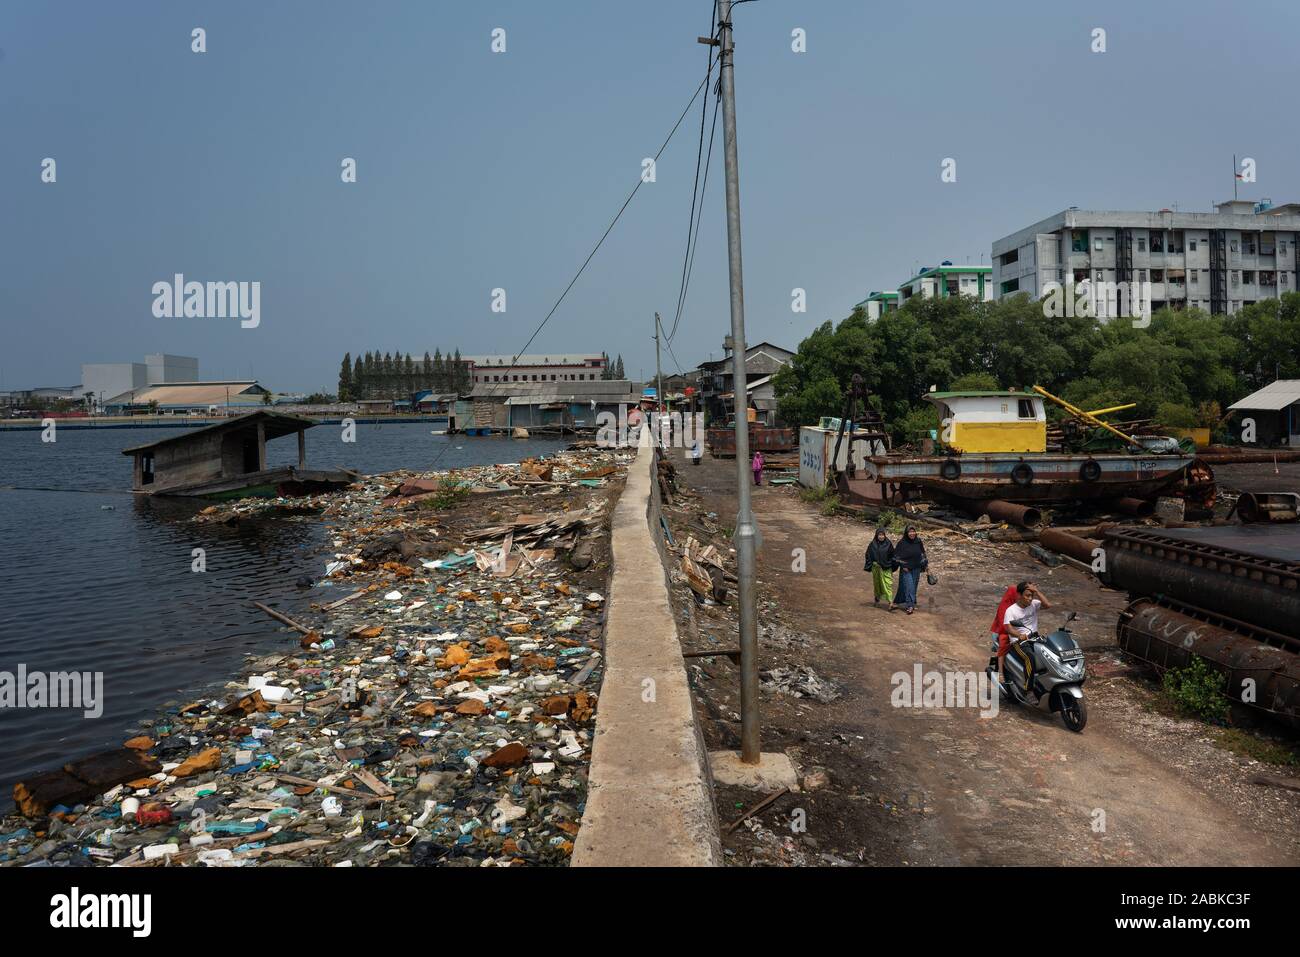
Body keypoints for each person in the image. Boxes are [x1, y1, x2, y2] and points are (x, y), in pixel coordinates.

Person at [1003, 581, 1052, 690]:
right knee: (1030, 657)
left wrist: (1037, 591)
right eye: (1027, 595)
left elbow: (1048, 605)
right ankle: (1028, 689)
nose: (1030, 598)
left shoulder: (1034, 604)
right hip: (1019, 642)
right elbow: (1008, 628)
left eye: (1032, 595)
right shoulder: (1011, 610)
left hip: (1035, 638)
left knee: (1051, 654)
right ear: (1019, 595)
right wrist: (1019, 635)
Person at [891, 525, 928, 614]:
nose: (912, 533)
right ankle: (910, 605)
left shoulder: (918, 541)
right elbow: (896, 556)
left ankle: (905, 602)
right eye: (910, 532)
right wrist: (903, 565)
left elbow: (922, 553)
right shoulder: (902, 543)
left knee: (913, 587)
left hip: (916, 568)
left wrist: (926, 565)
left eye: (913, 531)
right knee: (909, 587)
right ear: (906, 533)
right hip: (906, 569)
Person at [989, 584, 1019, 675]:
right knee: (1003, 645)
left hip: (1014, 630)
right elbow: (1003, 624)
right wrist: (1013, 632)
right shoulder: (1005, 606)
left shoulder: (1017, 605)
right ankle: (1000, 673)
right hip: (1002, 631)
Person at [863, 528, 895, 608]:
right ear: (876, 536)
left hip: (886, 568)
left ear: (885, 535)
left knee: (888, 584)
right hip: (876, 568)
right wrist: (872, 563)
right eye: (879, 535)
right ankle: (877, 598)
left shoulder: (888, 544)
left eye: (882, 535)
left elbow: (893, 556)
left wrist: (889, 564)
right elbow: (868, 555)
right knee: (877, 585)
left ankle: (890, 602)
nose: (881, 537)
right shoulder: (872, 544)